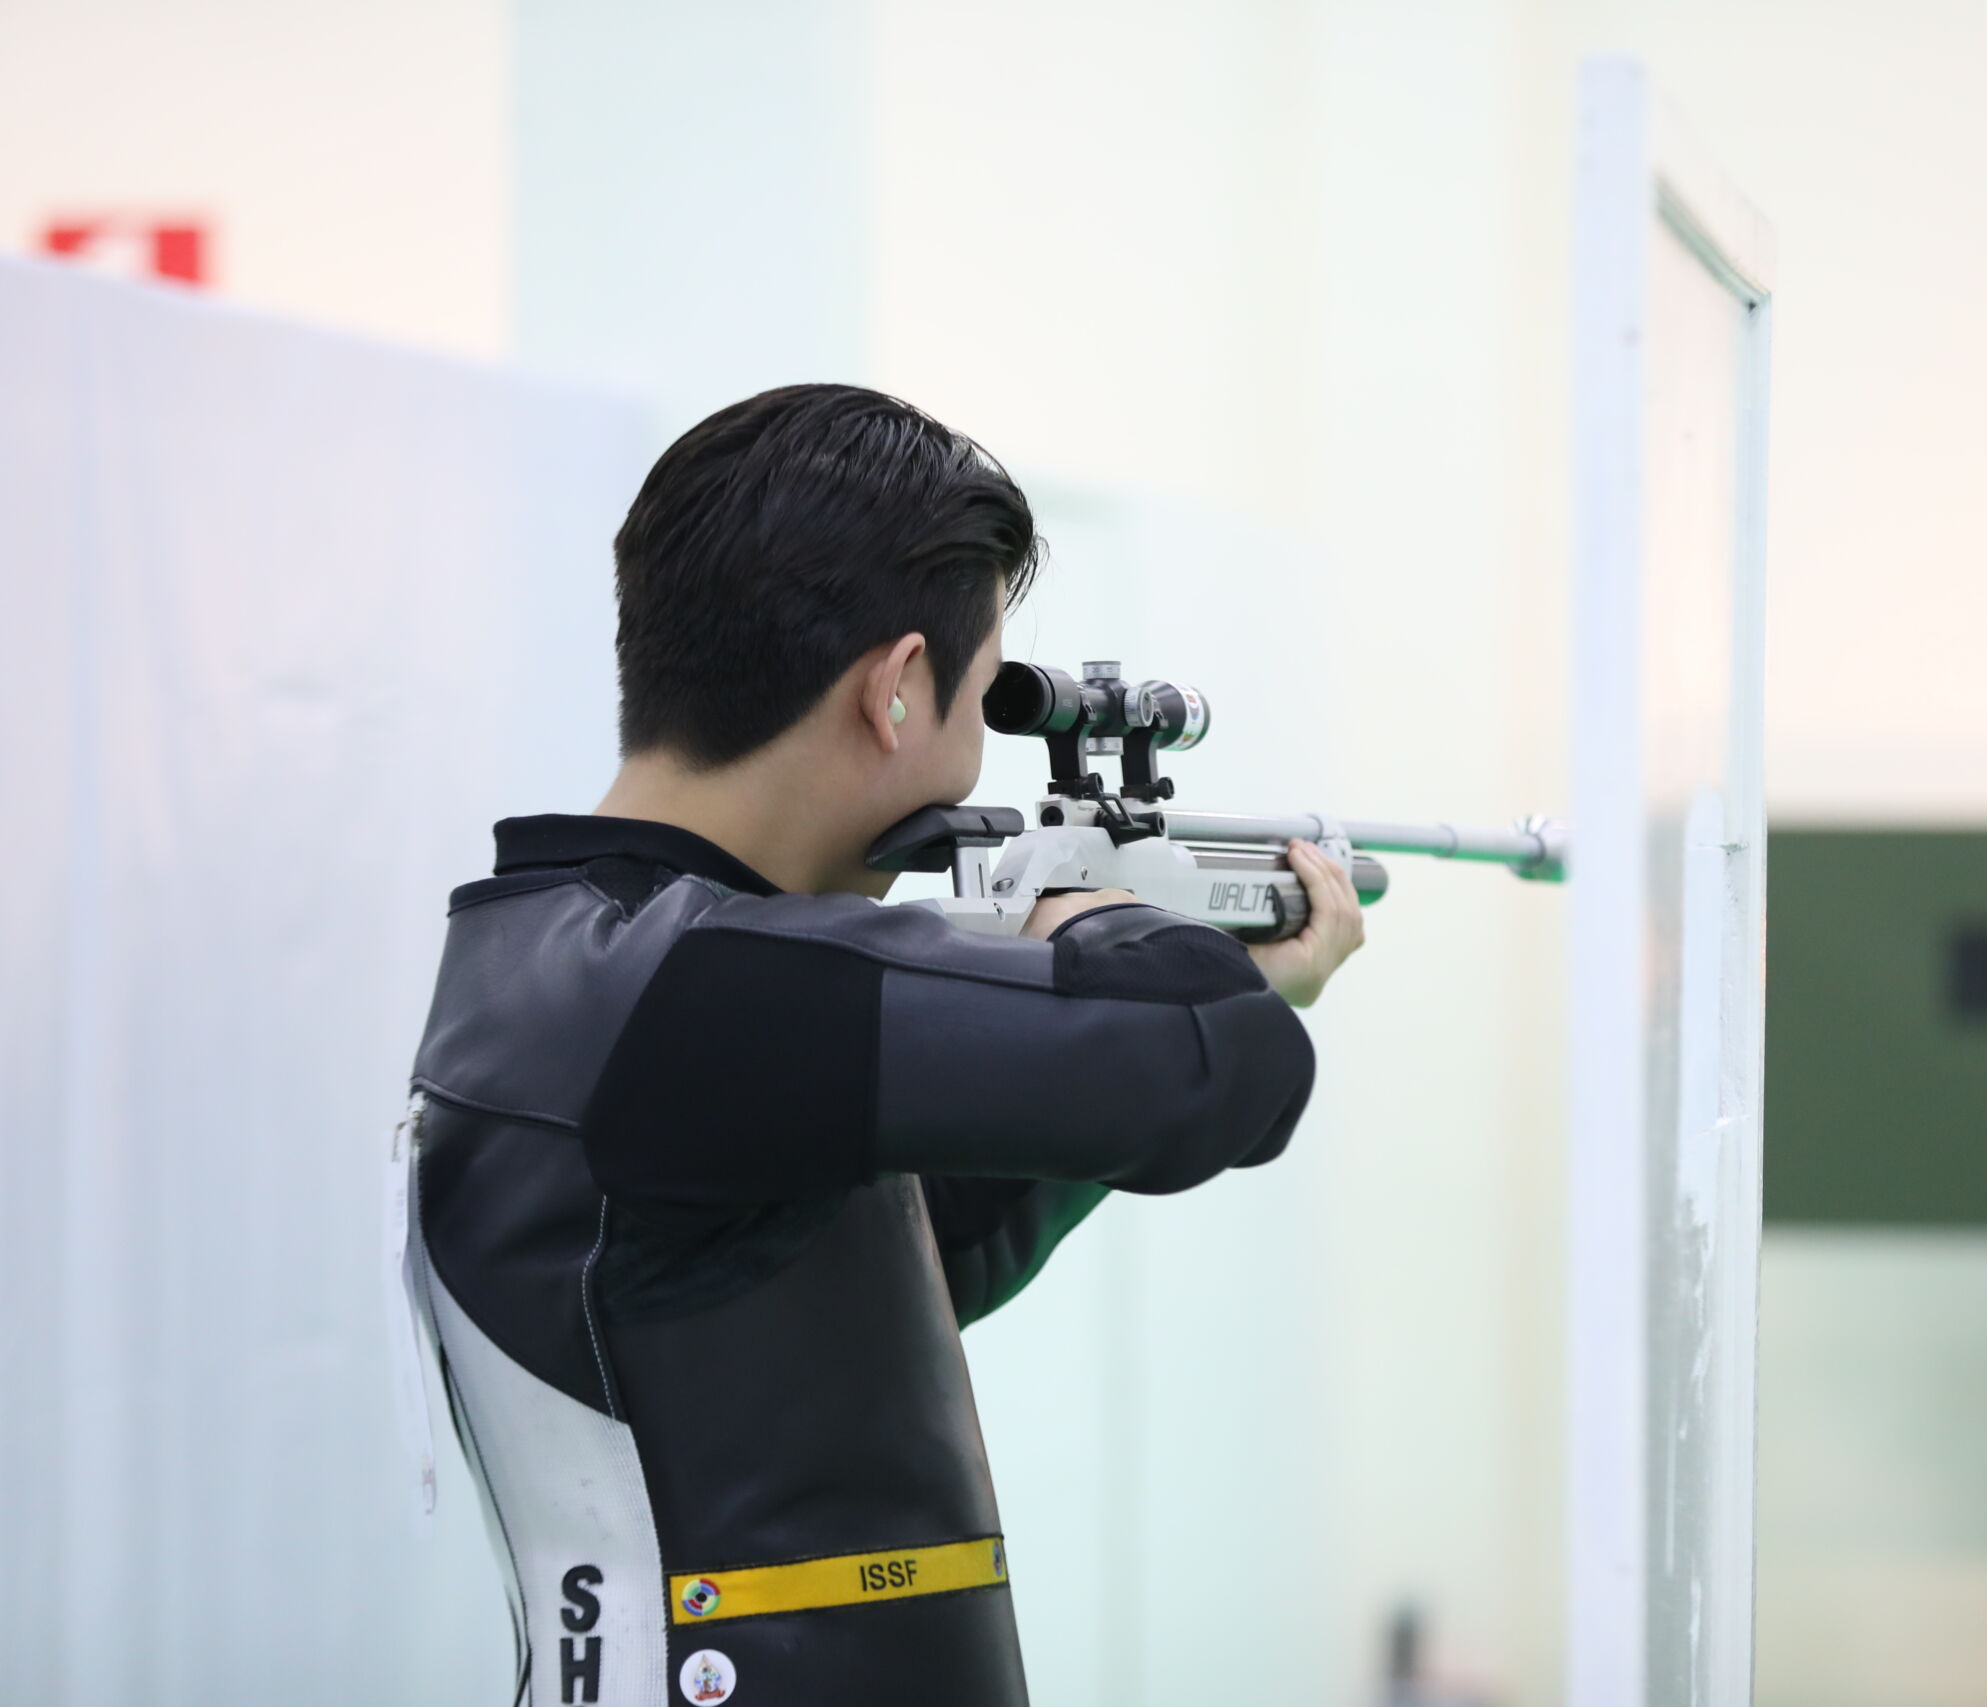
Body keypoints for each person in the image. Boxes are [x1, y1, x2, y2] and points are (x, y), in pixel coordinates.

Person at [403, 384, 1364, 1706]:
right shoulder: (702, 987)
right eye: (978, 701)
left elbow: (912, 1257)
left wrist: (1189, 977)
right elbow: (1209, 1063)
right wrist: (1101, 921)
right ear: (900, 688)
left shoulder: (578, 957)